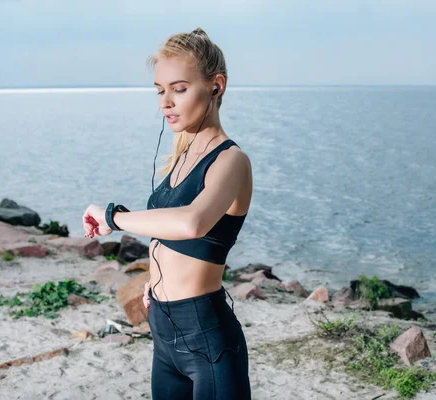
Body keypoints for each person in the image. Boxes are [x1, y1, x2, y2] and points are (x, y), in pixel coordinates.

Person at [81, 27, 253, 400]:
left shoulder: (231, 160)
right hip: (163, 332)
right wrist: (159, 281)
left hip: (208, 341)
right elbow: (168, 236)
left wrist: (115, 218)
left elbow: (192, 222)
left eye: (179, 88)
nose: (166, 102)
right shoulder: (178, 159)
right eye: (160, 90)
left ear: (215, 86)